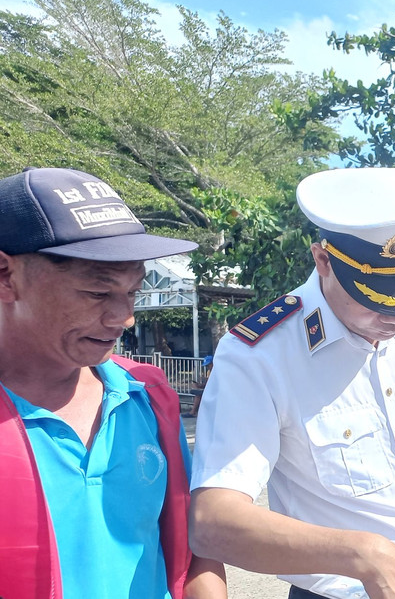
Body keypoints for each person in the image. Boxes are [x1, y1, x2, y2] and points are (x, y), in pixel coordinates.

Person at [188, 168, 395, 599]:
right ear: (324, 260)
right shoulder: (260, 355)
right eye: (375, 297)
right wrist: (360, 554)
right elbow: (213, 523)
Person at [0, 167, 226, 598]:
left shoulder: (147, 396)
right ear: (6, 275)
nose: (124, 318)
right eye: (97, 293)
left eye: (133, 292)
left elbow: (192, 548)